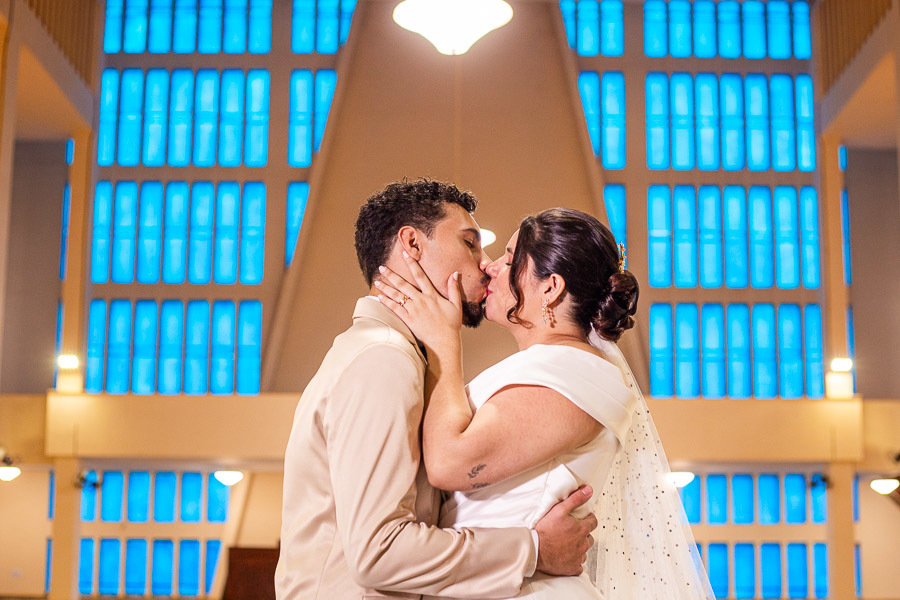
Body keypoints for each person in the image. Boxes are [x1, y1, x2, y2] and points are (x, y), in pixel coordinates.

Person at [275, 182, 599, 600]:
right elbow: (379, 552)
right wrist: (534, 549)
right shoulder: (383, 359)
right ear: (411, 244)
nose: (486, 265)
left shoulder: (397, 357)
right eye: (470, 244)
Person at [375, 207, 716, 599]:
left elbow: (450, 463)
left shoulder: (578, 374)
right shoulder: (550, 367)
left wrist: (443, 344)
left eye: (509, 258)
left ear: (551, 287)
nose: (491, 268)